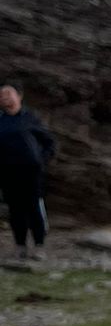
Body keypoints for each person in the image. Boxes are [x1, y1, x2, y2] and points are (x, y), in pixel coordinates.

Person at [0, 82, 56, 259]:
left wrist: (41, 161)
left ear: (19, 96)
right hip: (8, 173)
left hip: (31, 172)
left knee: (34, 208)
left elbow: (49, 142)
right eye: (1, 95)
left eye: (8, 93)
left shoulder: (30, 118)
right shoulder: (0, 121)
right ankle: (20, 245)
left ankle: (39, 246)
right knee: (15, 211)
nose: (5, 97)